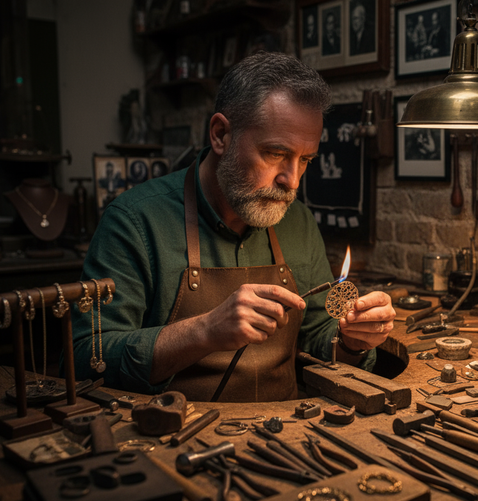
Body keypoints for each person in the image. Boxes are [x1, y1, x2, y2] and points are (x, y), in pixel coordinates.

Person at [72, 52, 395, 402]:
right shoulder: (134, 221)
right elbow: (86, 360)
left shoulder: (297, 221)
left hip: (286, 430)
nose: (292, 181)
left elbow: (319, 335)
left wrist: (352, 342)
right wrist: (204, 330)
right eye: (275, 154)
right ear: (221, 134)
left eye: (305, 160)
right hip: (174, 437)